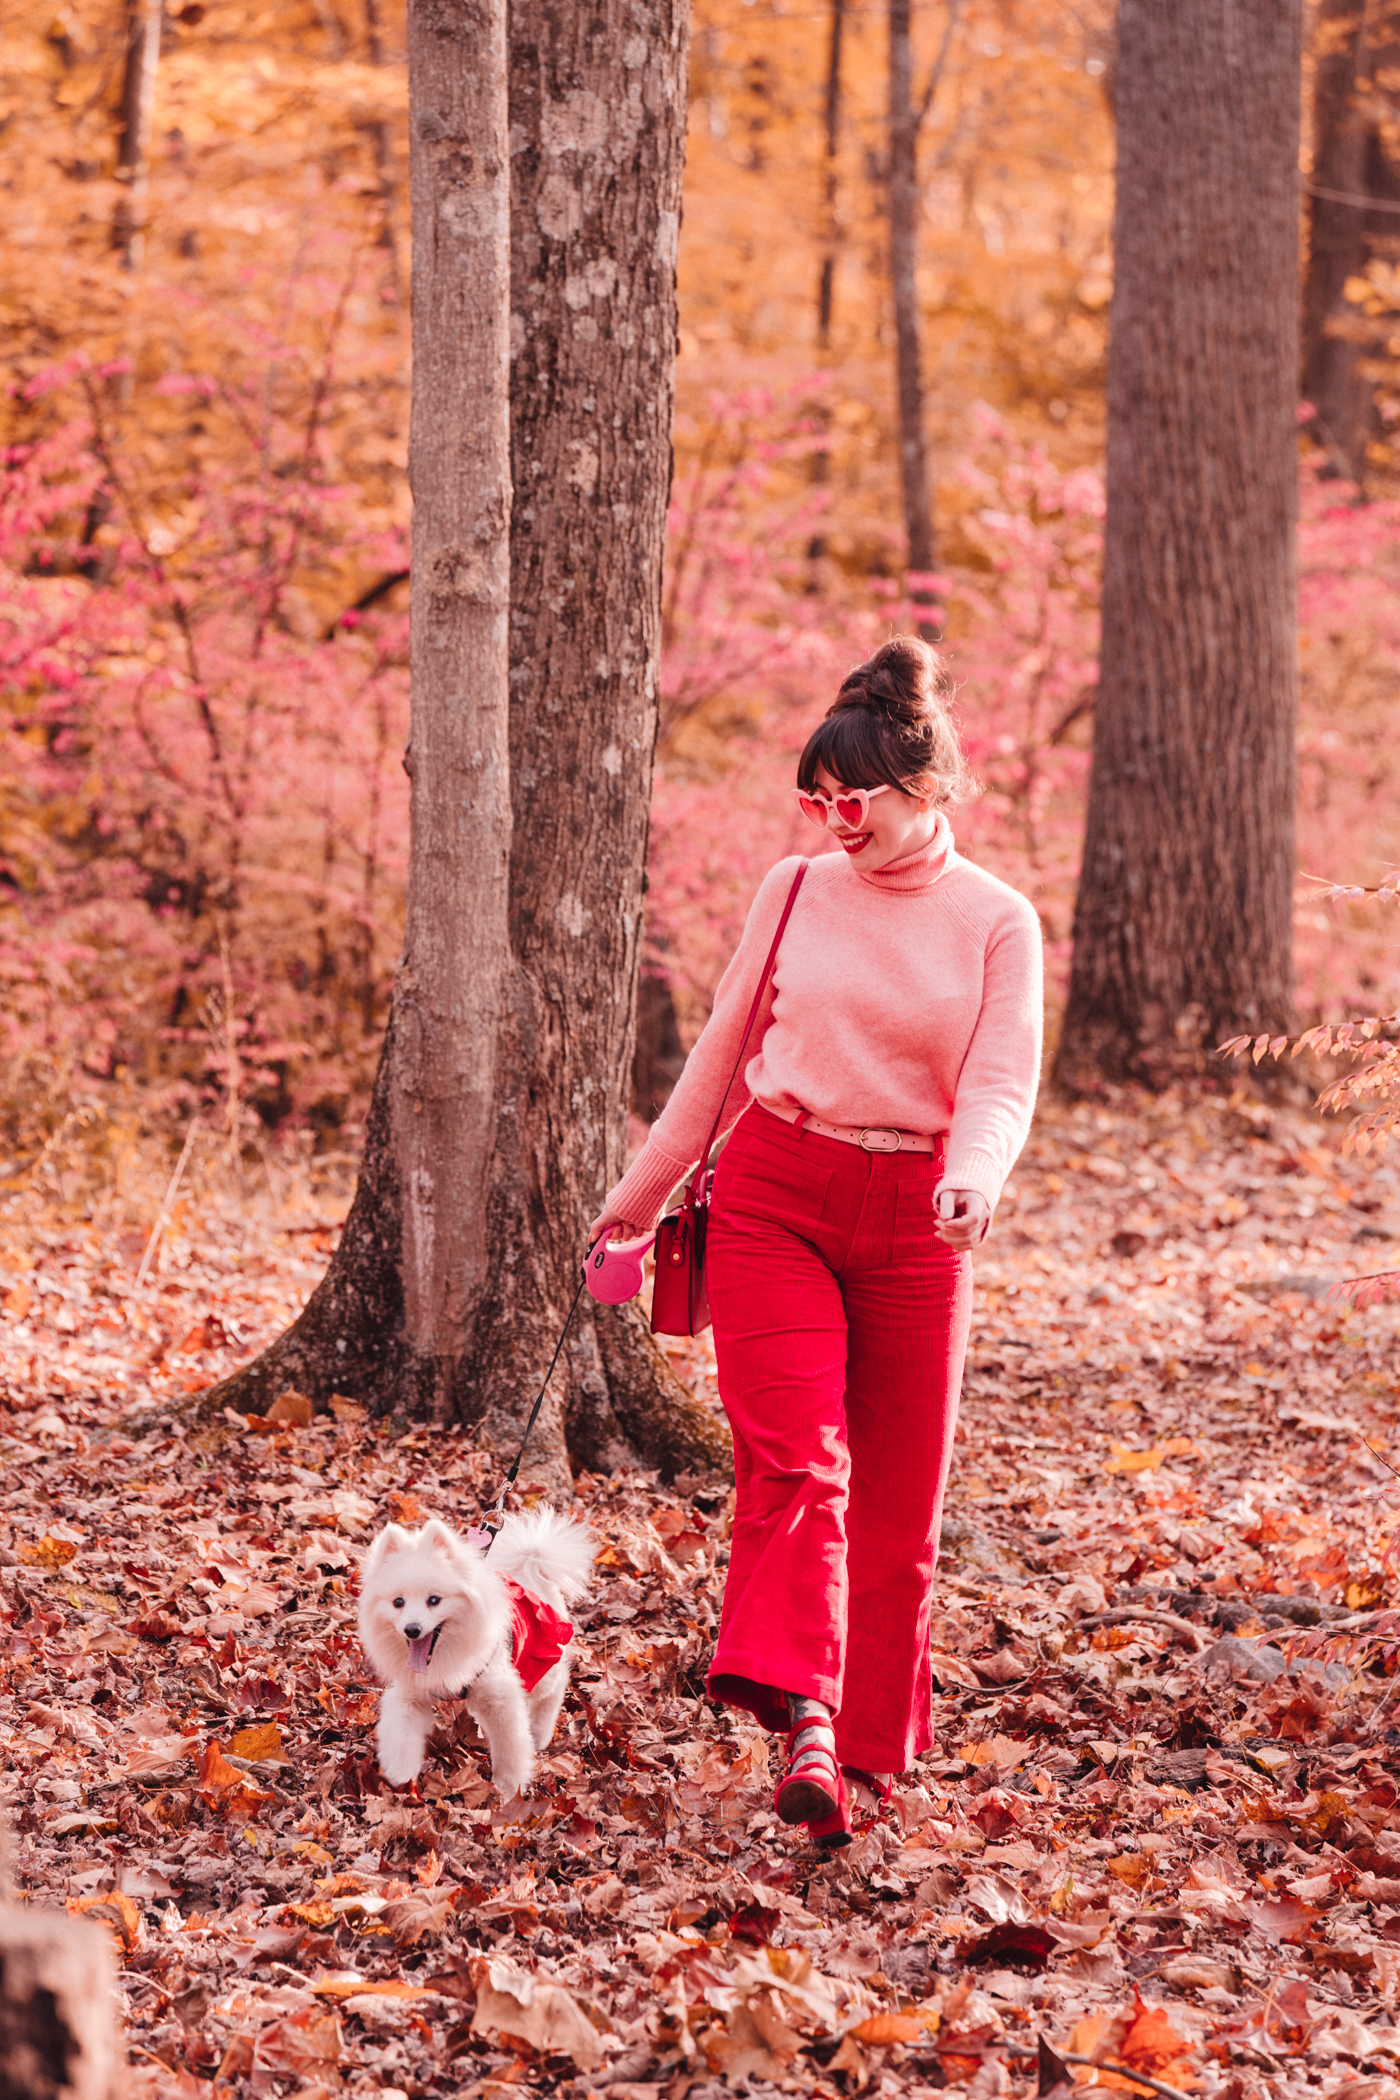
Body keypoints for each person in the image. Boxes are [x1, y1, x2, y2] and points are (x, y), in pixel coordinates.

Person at [590, 636, 1043, 1847]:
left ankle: (868, 1748)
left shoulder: (998, 922)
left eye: (858, 798)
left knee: (898, 1513)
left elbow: (999, 1082)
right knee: (797, 1463)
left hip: (916, 1222)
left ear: (926, 788)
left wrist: (971, 1180)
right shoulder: (792, 890)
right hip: (776, 1197)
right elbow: (719, 1060)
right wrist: (638, 1198)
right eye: (817, 796)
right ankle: (805, 1723)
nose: (834, 816)